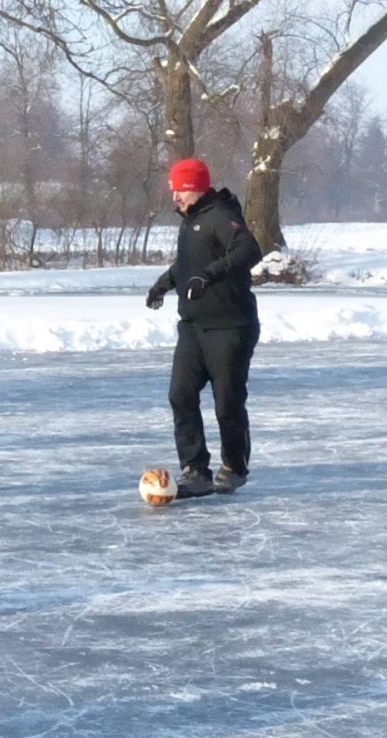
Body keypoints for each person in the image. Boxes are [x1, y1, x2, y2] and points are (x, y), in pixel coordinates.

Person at [146, 158, 262, 498]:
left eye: (179, 190)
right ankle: (195, 470)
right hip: (193, 328)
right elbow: (188, 265)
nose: (175, 197)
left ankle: (235, 467)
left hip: (230, 326)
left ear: (196, 187)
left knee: (227, 402)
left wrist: (209, 276)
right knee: (180, 395)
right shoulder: (191, 221)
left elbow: (249, 250)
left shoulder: (221, 216)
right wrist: (162, 285)